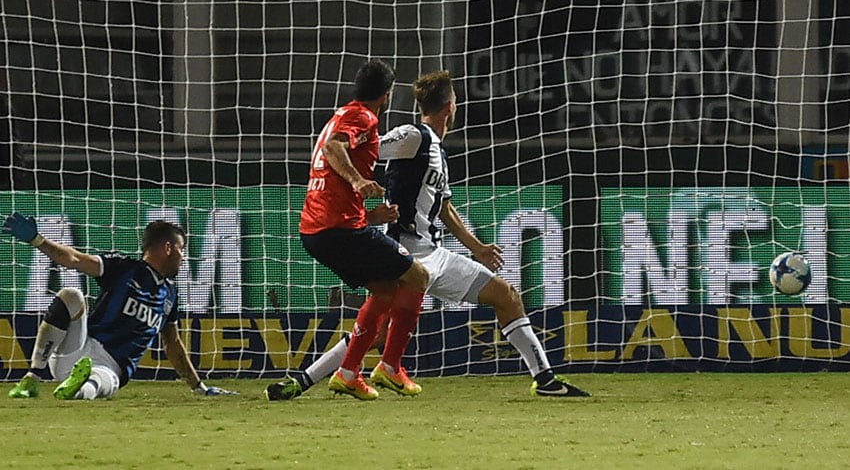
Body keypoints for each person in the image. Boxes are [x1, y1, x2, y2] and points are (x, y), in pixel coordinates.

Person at [267, 70, 590, 401]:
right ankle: (314, 380)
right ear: (451, 107)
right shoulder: (412, 135)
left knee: (506, 296)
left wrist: (476, 247)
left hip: (434, 252)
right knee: (376, 330)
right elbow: (368, 150)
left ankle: (546, 379)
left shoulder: (438, 150)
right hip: (405, 248)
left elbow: (445, 209)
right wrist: (358, 182)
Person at [297, 58, 430, 400]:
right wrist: (359, 180)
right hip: (338, 230)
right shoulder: (362, 117)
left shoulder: (339, 116)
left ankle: (348, 373)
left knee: (385, 291)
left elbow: (332, 181)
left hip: (321, 229)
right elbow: (332, 148)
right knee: (417, 278)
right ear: (386, 95)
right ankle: (389, 367)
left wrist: (372, 216)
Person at [4, 213, 236, 400]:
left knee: (99, 382)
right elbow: (74, 259)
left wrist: (200, 387)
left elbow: (173, 343)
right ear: (168, 248)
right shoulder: (123, 268)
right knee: (71, 295)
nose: (183, 257)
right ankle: (32, 378)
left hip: (111, 366)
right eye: (181, 249)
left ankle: (76, 388)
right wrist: (38, 240)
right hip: (79, 346)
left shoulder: (170, 295)